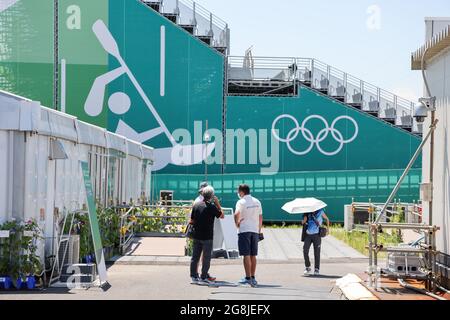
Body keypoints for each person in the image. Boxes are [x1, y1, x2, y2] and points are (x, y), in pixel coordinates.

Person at [189, 186, 224, 285]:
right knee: (206, 257)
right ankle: (204, 276)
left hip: (197, 234)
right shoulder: (212, 206)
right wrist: (217, 203)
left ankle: (194, 276)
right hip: (207, 235)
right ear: (212, 196)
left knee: (195, 257)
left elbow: (192, 220)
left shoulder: (196, 205)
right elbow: (222, 216)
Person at [234, 184, 263, 287]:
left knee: (246, 254)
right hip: (254, 230)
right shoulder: (257, 201)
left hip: (244, 230)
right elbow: (260, 217)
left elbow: (236, 213)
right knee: (253, 255)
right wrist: (259, 231)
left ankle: (247, 278)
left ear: (242, 192)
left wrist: (237, 223)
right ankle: (253, 277)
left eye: (238, 192)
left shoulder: (241, 202)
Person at [302, 209, 330, 276]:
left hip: (317, 235)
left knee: (317, 252)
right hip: (308, 235)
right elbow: (303, 222)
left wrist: (328, 229)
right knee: (305, 250)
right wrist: (304, 221)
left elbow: (327, 219)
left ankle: (316, 269)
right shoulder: (307, 212)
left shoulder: (320, 211)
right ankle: (308, 267)